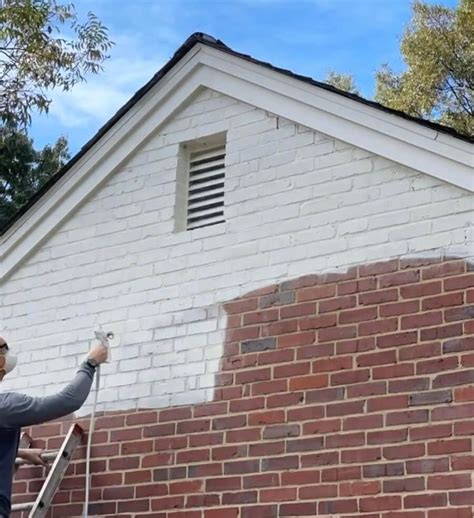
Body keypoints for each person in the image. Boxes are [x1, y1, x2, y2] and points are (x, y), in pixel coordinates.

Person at [0, 336, 108, 518]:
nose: (9, 353)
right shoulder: (5, 407)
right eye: (4, 349)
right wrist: (90, 364)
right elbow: (68, 401)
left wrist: (19, 453)